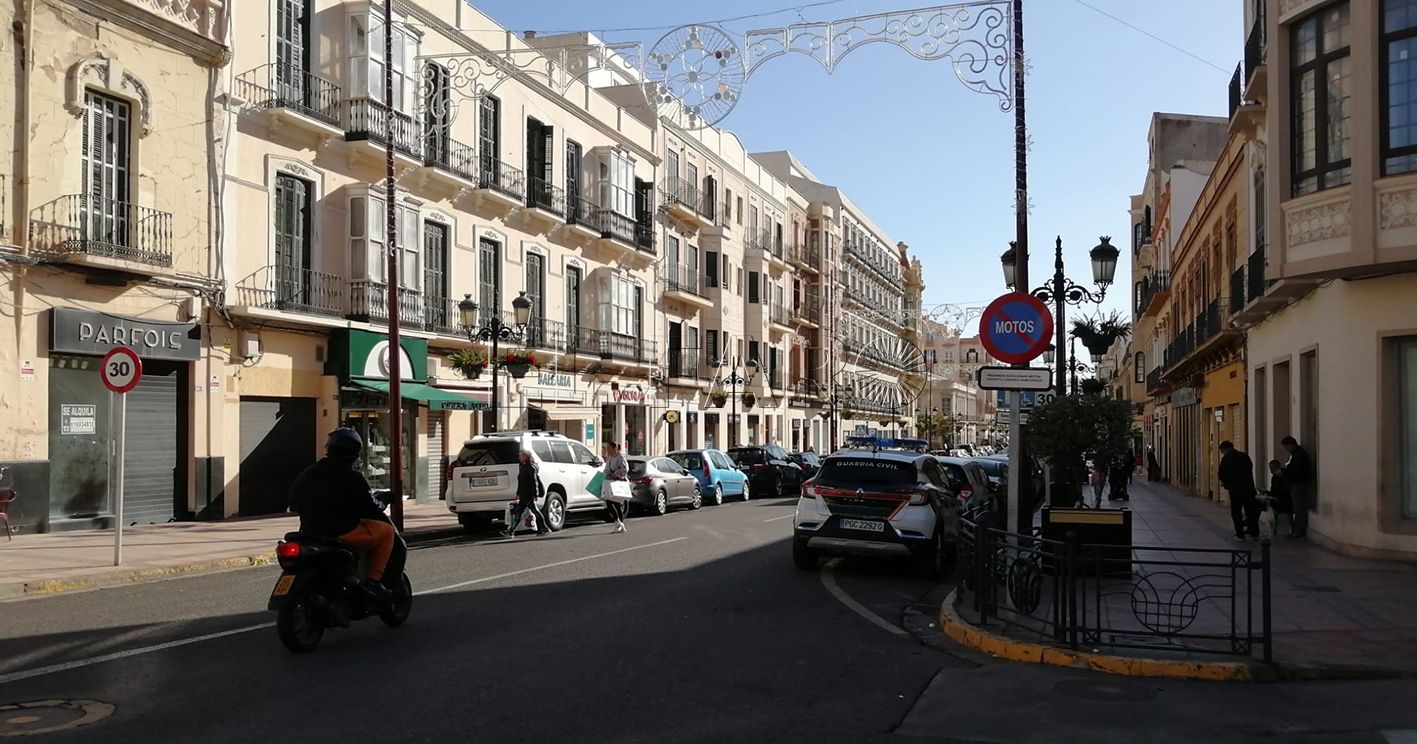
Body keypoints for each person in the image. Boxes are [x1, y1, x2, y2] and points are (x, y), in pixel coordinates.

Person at [289, 428, 395, 601]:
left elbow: (293, 503)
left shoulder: (307, 473)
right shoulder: (352, 478)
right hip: (343, 532)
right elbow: (372, 507)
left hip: (309, 533)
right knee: (387, 532)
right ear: (355, 452)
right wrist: (385, 498)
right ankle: (374, 582)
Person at [1217, 440, 1259, 540]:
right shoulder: (1244, 456)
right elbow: (1250, 467)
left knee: (1236, 513)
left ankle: (1240, 534)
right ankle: (1254, 532)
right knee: (1251, 512)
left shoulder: (1226, 459)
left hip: (1235, 490)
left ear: (1224, 449)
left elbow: (1222, 473)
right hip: (1248, 488)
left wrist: (1226, 482)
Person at [506, 450, 550, 538]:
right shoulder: (523, 467)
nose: (519, 458)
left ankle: (544, 528)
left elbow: (534, 482)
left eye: (520, 456)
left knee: (534, 512)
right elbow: (521, 482)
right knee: (519, 512)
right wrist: (518, 493)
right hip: (523, 494)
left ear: (525, 456)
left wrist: (535, 494)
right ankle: (511, 531)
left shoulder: (531, 468)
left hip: (528, 495)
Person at [1281, 436, 1313, 539]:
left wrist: (1288, 474)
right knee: (1298, 507)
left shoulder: (1299, 455)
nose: (1286, 450)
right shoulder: (1296, 454)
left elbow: (1297, 470)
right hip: (1298, 482)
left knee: (1299, 507)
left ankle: (1299, 531)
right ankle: (1298, 529)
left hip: (1299, 483)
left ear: (1290, 445)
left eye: (1286, 447)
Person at [602, 441, 630, 534]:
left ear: (615, 449)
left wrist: (614, 474)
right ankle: (620, 524)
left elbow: (624, 469)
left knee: (611, 503)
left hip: (619, 483)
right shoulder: (610, 458)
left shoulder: (620, 457)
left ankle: (618, 523)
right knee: (615, 504)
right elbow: (606, 469)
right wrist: (604, 475)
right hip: (611, 483)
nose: (607, 450)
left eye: (609, 448)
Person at [1264, 459, 1293, 537]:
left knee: (1270, 508)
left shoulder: (1287, 476)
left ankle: (1273, 525)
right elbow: (1274, 491)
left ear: (1278, 466)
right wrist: (1267, 493)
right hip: (1277, 499)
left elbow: (1286, 491)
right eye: (1270, 469)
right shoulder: (1274, 478)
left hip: (1286, 501)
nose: (1271, 471)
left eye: (1273, 468)